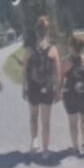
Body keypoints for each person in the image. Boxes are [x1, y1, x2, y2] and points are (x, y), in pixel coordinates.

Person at [23, 15, 62, 154]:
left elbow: (25, 70)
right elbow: (58, 72)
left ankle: (36, 142)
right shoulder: (52, 49)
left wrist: (24, 87)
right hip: (45, 87)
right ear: (47, 31)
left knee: (35, 117)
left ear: (36, 31)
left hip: (35, 86)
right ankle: (43, 149)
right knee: (44, 121)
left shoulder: (30, 49)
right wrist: (58, 90)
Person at [62, 34, 84, 158]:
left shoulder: (66, 62)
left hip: (70, 95)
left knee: (73, 123)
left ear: (71, 47)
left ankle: (75, 147)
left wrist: (58, 92)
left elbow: (60, 80)